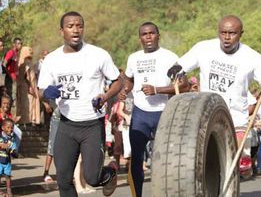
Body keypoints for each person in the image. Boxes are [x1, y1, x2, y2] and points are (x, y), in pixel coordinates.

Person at [37, 11, 123, 197]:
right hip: (66, 124)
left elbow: (118, 81)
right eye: (70, 26)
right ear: (61, 31)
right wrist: (46, 93)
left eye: (79, 26)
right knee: (64, 179)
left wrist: (105, 97)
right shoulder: (52, 59)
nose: (76, 30)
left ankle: (110, 173)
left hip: (92, 124)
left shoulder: (98, 54)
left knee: (91, 178)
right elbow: (40, 90)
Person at [167, 15, 261, 131]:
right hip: (206, 118)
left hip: (236, 123)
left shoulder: (253, 57)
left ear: (241, 34)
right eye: (223, 33)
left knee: (237, 149)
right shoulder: (203, 48)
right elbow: (181, 65)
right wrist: (176, 68)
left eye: (232, 33)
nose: (227, 37)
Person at [120, 21, 188, 197]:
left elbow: (184, 85)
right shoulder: (133, 58)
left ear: (158, 35)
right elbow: (128, 79)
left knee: (165, 160)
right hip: (140, 113)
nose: (148, 36)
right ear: (140, 38)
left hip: (164, 112)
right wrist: (125, 90)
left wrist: (157, 90)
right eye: (144, 34)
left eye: (152, 33)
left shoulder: (170, 57)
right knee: (136, 160)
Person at [16, 46, 41, 125]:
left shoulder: (27, 63)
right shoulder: (24, 64)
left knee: (31, 102)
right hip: (26, 87)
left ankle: (31, 120)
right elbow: (25, 76)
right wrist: (30, 86)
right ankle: (27, 121)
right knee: (28, 103)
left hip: (31, 85)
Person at [0, 118, 18, 197]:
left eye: (12, 128)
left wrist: (13, 152)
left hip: (7, 161)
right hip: (0, 161)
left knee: (8, 176)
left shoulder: (12, 139)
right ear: (2, 128)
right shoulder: (0, 137)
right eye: (8, 127)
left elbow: (14, 151)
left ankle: (9, 190)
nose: (10, 129)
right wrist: (1, 146)